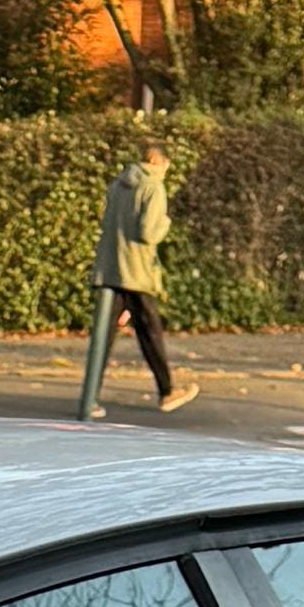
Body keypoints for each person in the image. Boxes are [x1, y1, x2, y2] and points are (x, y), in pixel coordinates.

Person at [91, 130, 197, 411]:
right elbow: (148, 233)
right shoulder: (153, 187)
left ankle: (90, 397)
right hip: (136, 272)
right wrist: (166, 222)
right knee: (151, 332)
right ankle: (167, 391)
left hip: (110, 268)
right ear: (159, 162)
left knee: (104, 335)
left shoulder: (118, 184)